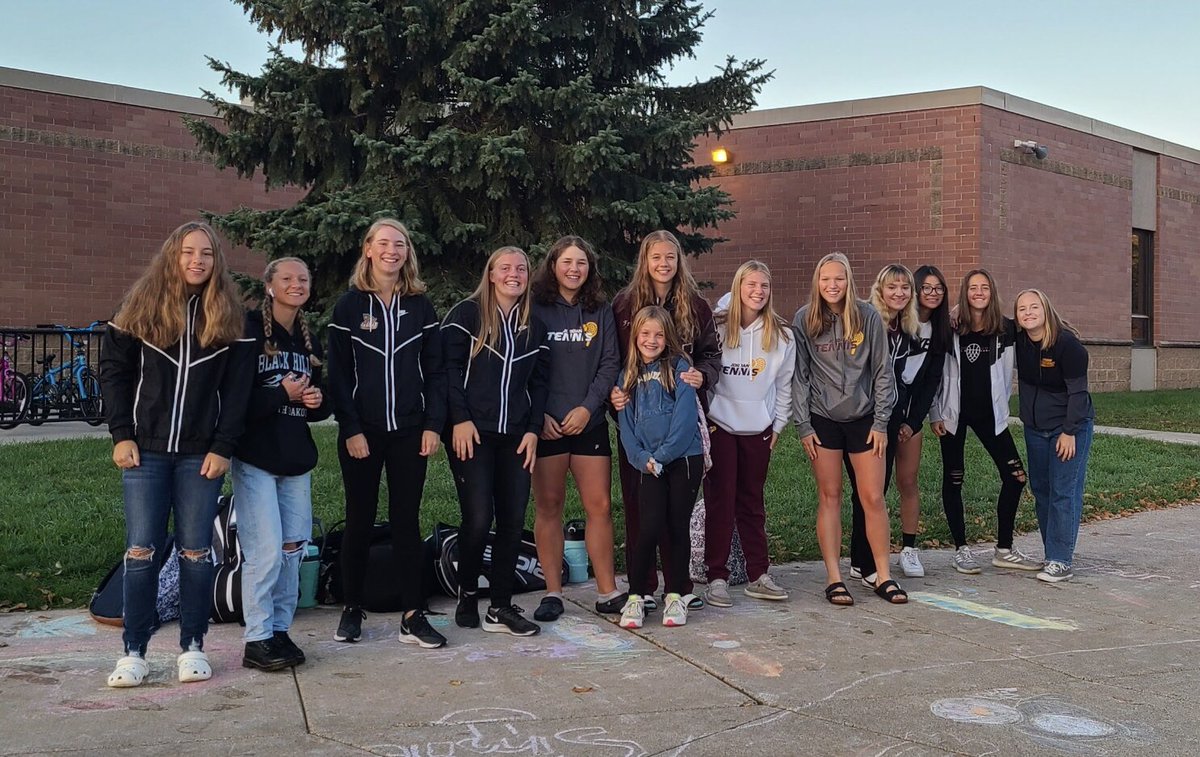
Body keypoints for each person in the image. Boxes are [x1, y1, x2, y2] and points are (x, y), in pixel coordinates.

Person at [99, 221, 253, 687]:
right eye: (188, 252)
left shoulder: (230, 315)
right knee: (141, 550)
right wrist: (121, 434)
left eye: (206, 253)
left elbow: (239, 391)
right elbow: (113, 373)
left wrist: (223, 448)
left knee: (196, 552)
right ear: (173, 255)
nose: (197, 261)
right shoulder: (140, 306)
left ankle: (193, 645)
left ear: (216, 261)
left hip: (199, 457)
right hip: (144, 454)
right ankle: (134, 651)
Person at [326, 219, 447, 648]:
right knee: (358, 519)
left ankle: (413, 614)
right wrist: (352, 428)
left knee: (405, 522)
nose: (392, 251)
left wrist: (433, 425)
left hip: (410, 432)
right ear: (369, 250)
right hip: (363, 433)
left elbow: (435, 372)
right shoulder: (348, 306)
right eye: (384, 244)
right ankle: (352, 607)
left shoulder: (420, 306)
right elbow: (338, 376)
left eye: (400, 243)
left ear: (407, 252)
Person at [611, 230, 721, 613]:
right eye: (656, 257)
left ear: (679, 261)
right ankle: (640, 588)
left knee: (678, 511)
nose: (663, 264)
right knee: (642, 509)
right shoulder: (625, 306)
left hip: (682, 422)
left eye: (670, 257)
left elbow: (711, 355)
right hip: (638, 423)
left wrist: (702, 375)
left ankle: (679, 586)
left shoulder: (696, 305)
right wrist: (615, 395)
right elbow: (614, 359)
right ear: (645, 260)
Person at [443, 246, 550, 637]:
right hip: (473, 432)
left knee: (511, 520)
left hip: (516, 436)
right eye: (505, 268)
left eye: (521, 268)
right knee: (477, 519)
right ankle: (468, 590)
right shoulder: (466, 315)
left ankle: (501, 606)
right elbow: (448, 371)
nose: (513, 274)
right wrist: (459, 419)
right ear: (490, 274)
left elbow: (540, 383)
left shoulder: (533, 325)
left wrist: (533, 430)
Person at [232, 257, 330, 671]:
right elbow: (235, 402)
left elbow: (315, 405)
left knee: (293, 548)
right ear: (269, 285)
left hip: (295, 458)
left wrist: (315, 402)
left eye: (303, 279)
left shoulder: (308, 340)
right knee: (267, 551)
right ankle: (256, 638)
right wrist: (282, 395)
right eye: (287, 278)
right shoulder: (248, 329)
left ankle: (279, 630)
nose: (296, 284)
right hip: (255, 457)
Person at [792, 252, 906, 606]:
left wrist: (882, 421)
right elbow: (800, 375)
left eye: (838, 278)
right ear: (817, 282)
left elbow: (883, 372)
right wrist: (803, 425)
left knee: (873, 497)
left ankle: (883, 575)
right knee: (830, 496)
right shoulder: (804, 318)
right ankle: (834, 577)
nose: (832, 285)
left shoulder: (868, 316)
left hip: (865, 418)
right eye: (825, 279)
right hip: (822, 419)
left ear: (849, 280)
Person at [529, 236, 625, 621]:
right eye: (567, 261)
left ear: (590, 268)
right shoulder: (535, 307)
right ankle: (552, 592)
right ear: (553, 265)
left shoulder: (599, 309)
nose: (574, 269)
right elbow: (526, 363)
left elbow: (609, 362)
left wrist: (588, 408)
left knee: (598, 506)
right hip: (548, 425)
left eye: (581, 263)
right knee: (548, 507)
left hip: (588, 423)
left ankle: (607, 590)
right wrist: (541, 415)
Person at [930, 269, 1038, 573]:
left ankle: (1004, 549)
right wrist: (935, 411)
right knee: (954, 479)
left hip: (992, 414)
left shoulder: (1005, 329)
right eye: (973, 288)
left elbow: (1036, 327)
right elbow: (935, 372)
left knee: (1016, 477)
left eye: (984, 287)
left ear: (992, 292)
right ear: (964, 292)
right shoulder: (950, 327)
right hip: (953, 414)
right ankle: (961, 549)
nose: (979, 292)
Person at [701, 261, 795, 607]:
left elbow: (785, 386)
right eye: (751, 284)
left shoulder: (783, 336)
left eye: (764, 286)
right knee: (719, 502)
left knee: (752, 503)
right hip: (720, 426)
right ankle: (717, 577)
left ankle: (759, 574)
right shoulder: (717, 327)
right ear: (738, 286)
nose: (758, 291)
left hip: (758, 429)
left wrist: (778, 424)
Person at [846, 264, 945, 583]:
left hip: (887, 418)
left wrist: (906, 419)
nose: (899, 293)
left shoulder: (907, 327)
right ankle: (865, 563)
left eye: (905, 288)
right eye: (892, 287)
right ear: (879, 289)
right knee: (867, 491)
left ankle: (861, 561)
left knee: (873, 490)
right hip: (859, 415)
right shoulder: (865, 319)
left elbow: (905, 382)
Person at [616, 306, 706, 628]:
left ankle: (675, 596)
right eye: (645, 334)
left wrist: (662, 457)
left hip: (681, 459)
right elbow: (625, 427)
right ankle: (636, 596)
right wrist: (643, 460)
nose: (651, 340)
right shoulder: (627, 376)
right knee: (649, 526)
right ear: (635, 336)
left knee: (676, 526)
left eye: (658, 334)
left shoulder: (679, 368)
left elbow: (684, 422)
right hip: (648, 464)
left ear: (667, 337)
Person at [1014, 289, 1094, 583]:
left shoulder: (1068, 346)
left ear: (1046, 309)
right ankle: (1052, 554)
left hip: (1069, 428)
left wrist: (1070, 432)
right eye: (1022, 309)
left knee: (1063, 491)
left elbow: (1078, 394)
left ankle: (1061, 560)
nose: (1028, 313)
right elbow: (985, 316)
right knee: (1042, 490)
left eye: (1034, 307)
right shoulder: (1020, 340)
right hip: (1035, 429)